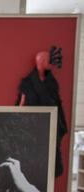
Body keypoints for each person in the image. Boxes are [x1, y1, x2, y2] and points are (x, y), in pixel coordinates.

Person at [16, 48, 67, 177]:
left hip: (51, 125)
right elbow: (21, 104)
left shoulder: (52, 82)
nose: (51, 64)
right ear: (42, 61)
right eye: (48, 61)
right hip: (33, 126)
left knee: (51, 159)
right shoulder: (28, 82)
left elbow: (57, 103)